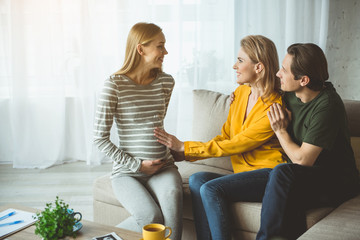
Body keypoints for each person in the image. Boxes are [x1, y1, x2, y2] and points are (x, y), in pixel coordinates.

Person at [154, 35, 287, 240]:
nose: (235, 66)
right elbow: (225, 136)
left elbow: (236, 144)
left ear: (259, 67)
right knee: (197, 179)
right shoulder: (241, 93)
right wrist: (185, 154)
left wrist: (185, 147)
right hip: (241, 174)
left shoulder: (274, 107)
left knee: (211, 188)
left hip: (267, 175)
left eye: (241, 61)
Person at [257, 43, 360, 240]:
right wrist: (241, 93)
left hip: (336, 182)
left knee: (282, 174)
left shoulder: (328, 105)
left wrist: (280, 131)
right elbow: (261, 85)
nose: (278, 73)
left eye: (284, 70)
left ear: (303, 80)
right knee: (213, 187)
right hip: (295, 177)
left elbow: (304, 161)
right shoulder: (290, 93)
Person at [93, 22, 183, 240]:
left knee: (172, 204)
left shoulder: (166, 82)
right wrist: (137, 165)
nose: (165, 52)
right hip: (127, 173)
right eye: (160, 46)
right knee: (151, 216)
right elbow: (99, 139)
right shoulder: (114, 85)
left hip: (164, 168)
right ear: (141, 49)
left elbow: (155, 122)